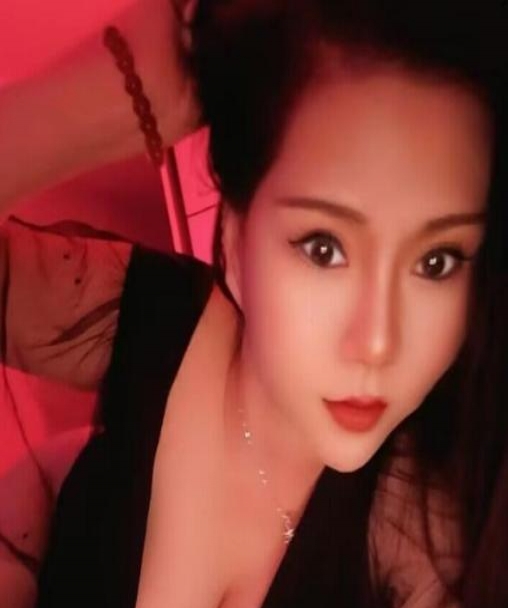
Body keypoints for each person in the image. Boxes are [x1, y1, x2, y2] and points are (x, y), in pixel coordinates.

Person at [1, 0, 508, 606]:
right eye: (323, 248)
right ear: (235, 237)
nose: (377, 343)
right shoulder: (145, 315)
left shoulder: (422, 542)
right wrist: (106, 94)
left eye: (436, 262)